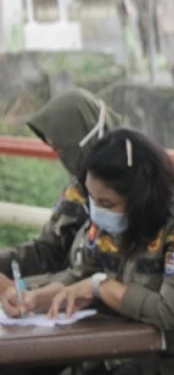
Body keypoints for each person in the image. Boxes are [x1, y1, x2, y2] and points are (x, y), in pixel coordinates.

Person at [4, 128, 174, 375]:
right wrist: (35, 299)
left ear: (141, 197)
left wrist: (102, 287)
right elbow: (81, 274)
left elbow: (169, 311)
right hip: (148, 361)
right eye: (92, 200)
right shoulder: (110, 221)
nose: (96, 210)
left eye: (106, 202)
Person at [0, 88, 120, 293]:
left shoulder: (126, 188)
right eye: (55, 150)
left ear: (84, 138)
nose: (61, 159)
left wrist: (22, 288)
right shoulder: (77, 188)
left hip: (105, 306)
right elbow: (48, 251)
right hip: (62, 298)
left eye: (63, 150)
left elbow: (94, 276)